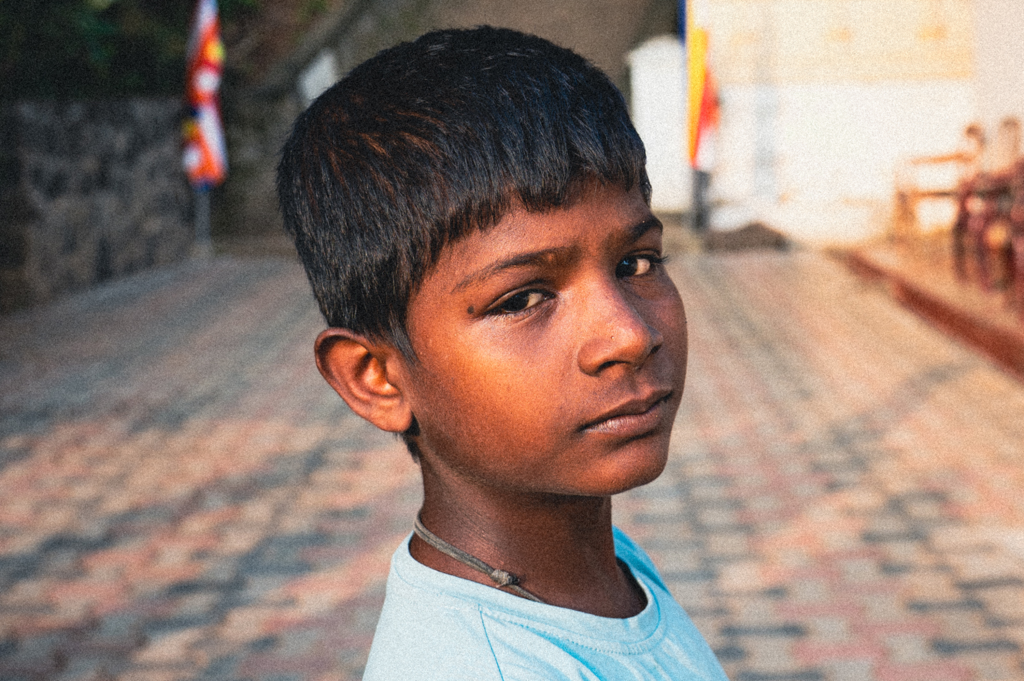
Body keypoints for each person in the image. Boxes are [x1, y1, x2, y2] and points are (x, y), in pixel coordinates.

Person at [277, 26, 728, 680]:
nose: (629, 335)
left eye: (636, 262)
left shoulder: (602, 566)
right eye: (522, 299)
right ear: (377, 378)